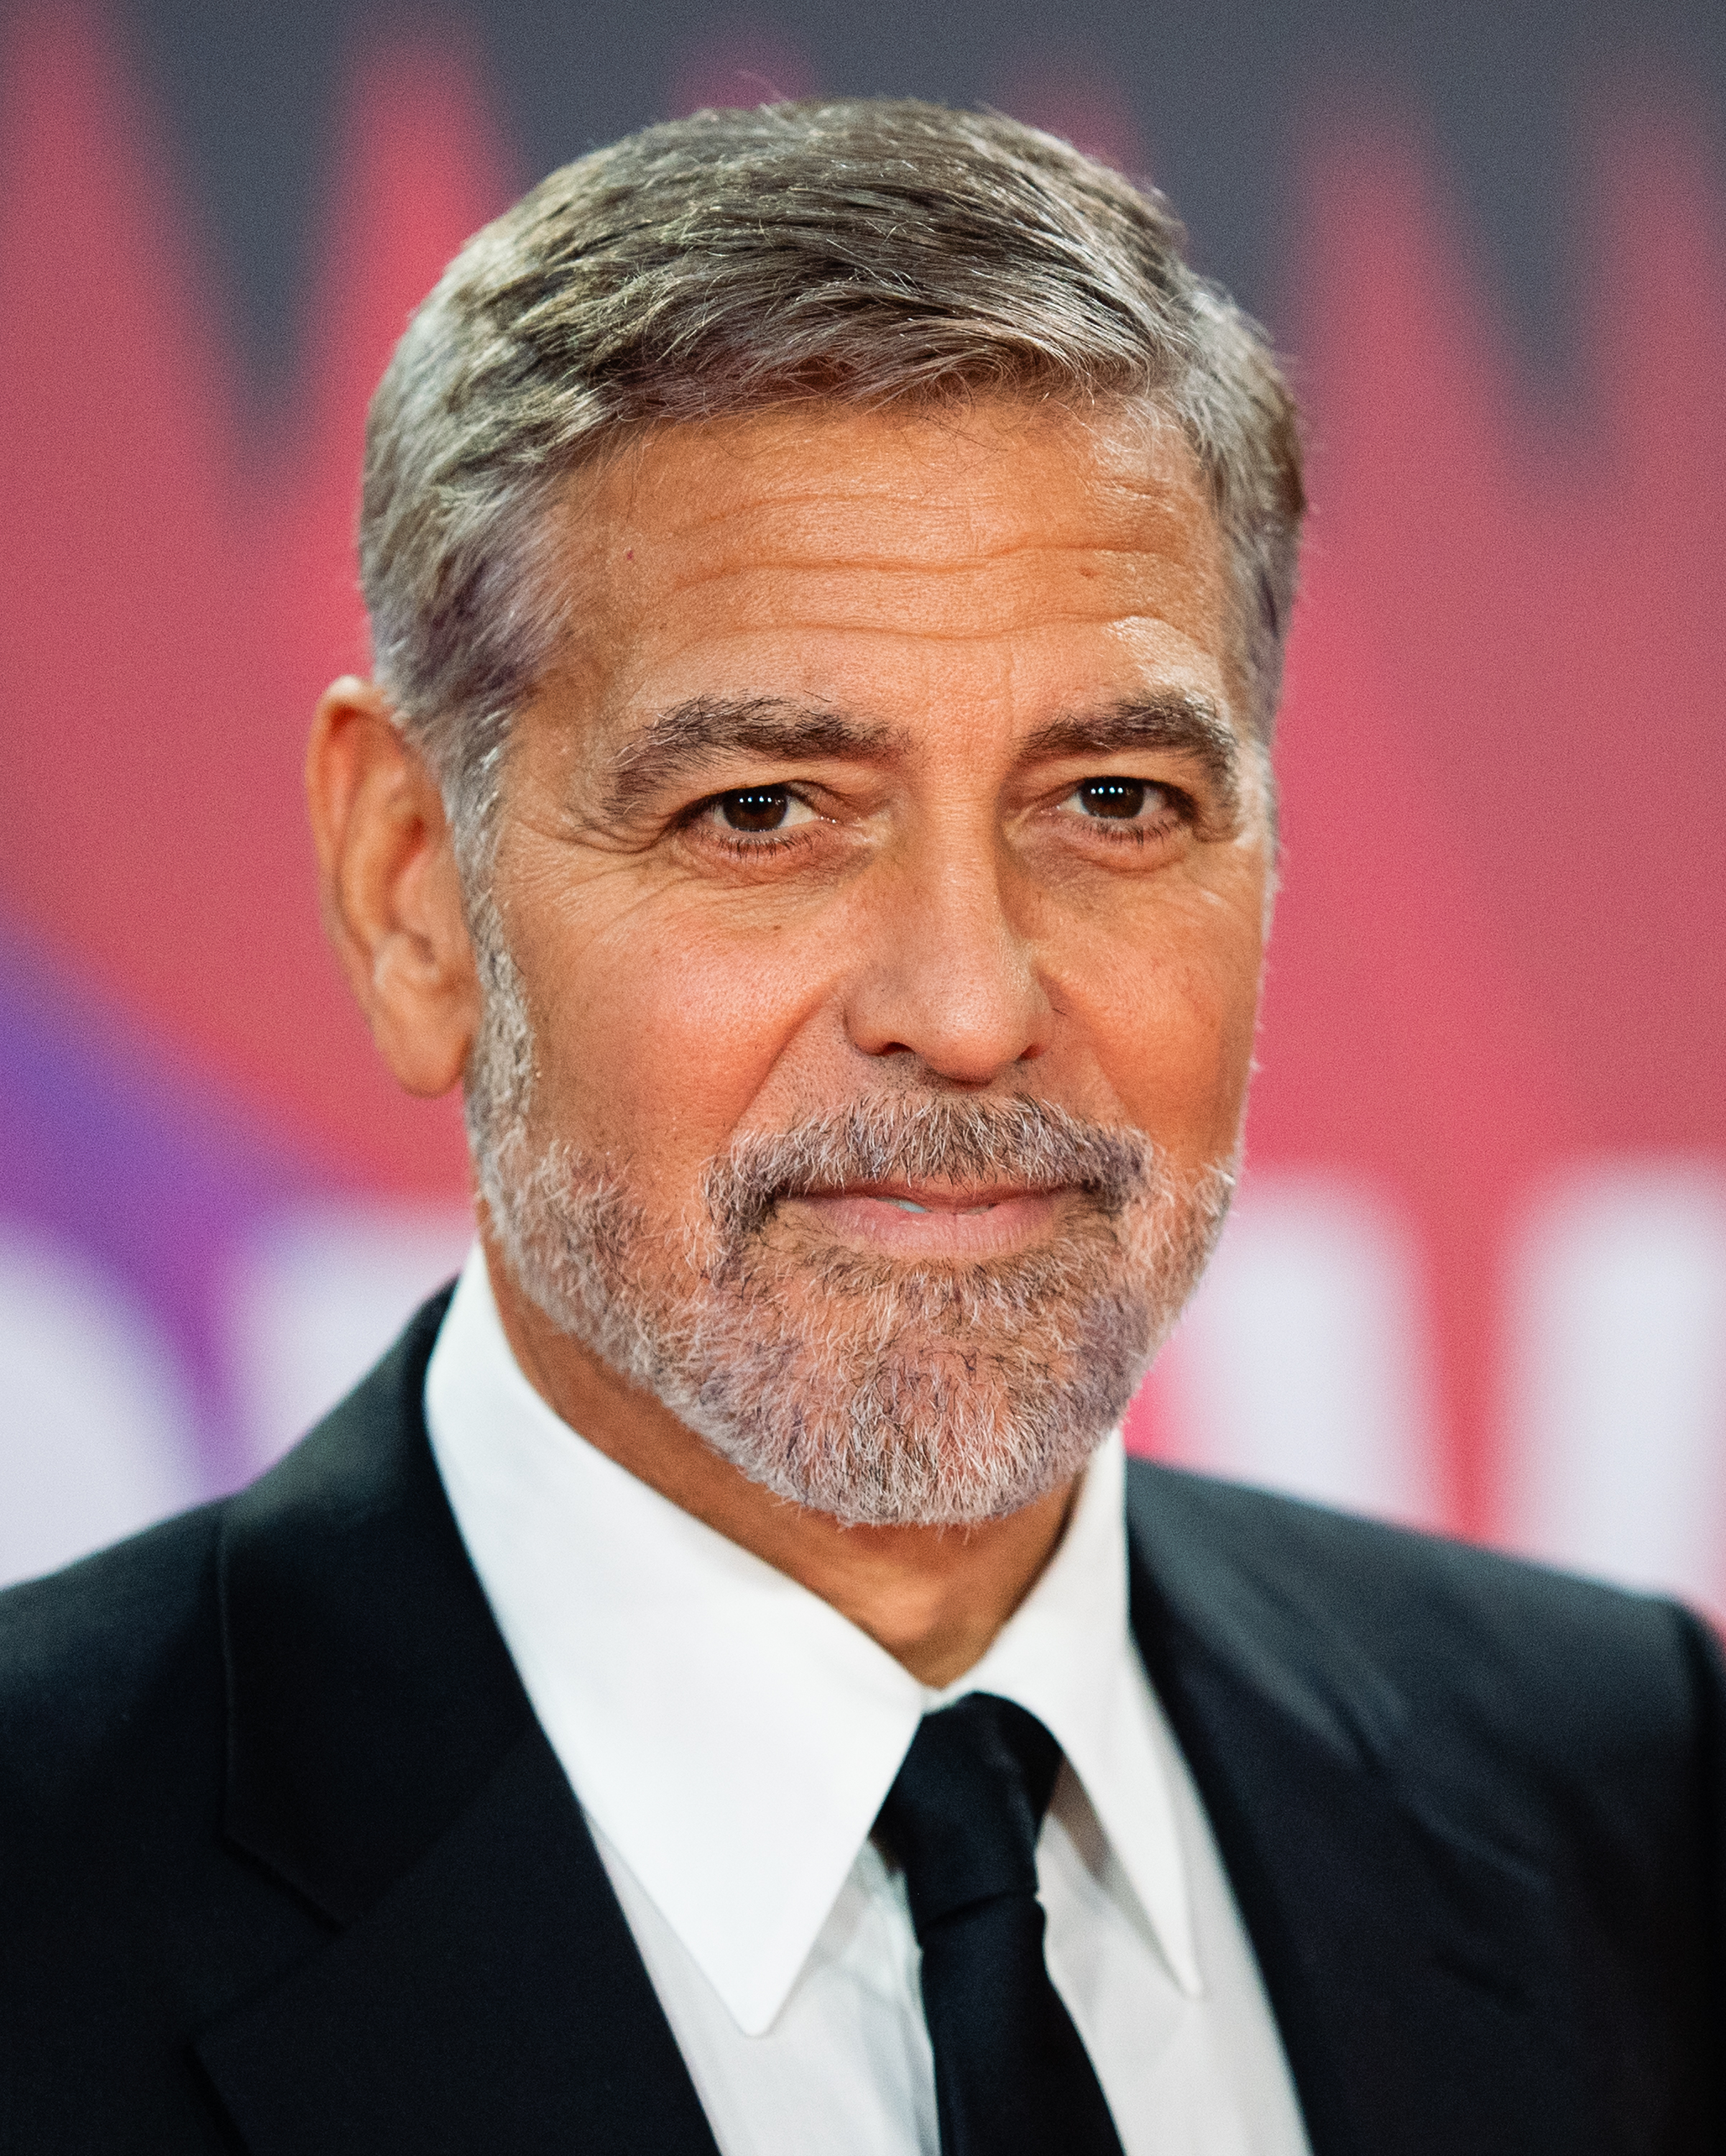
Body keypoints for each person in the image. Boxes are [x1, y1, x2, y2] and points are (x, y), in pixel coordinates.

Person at [0, 97, 1719, 2156]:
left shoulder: (1613, 1782)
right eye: (759, 814)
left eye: (1112, 803)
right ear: (410, 886)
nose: (973, 1008)